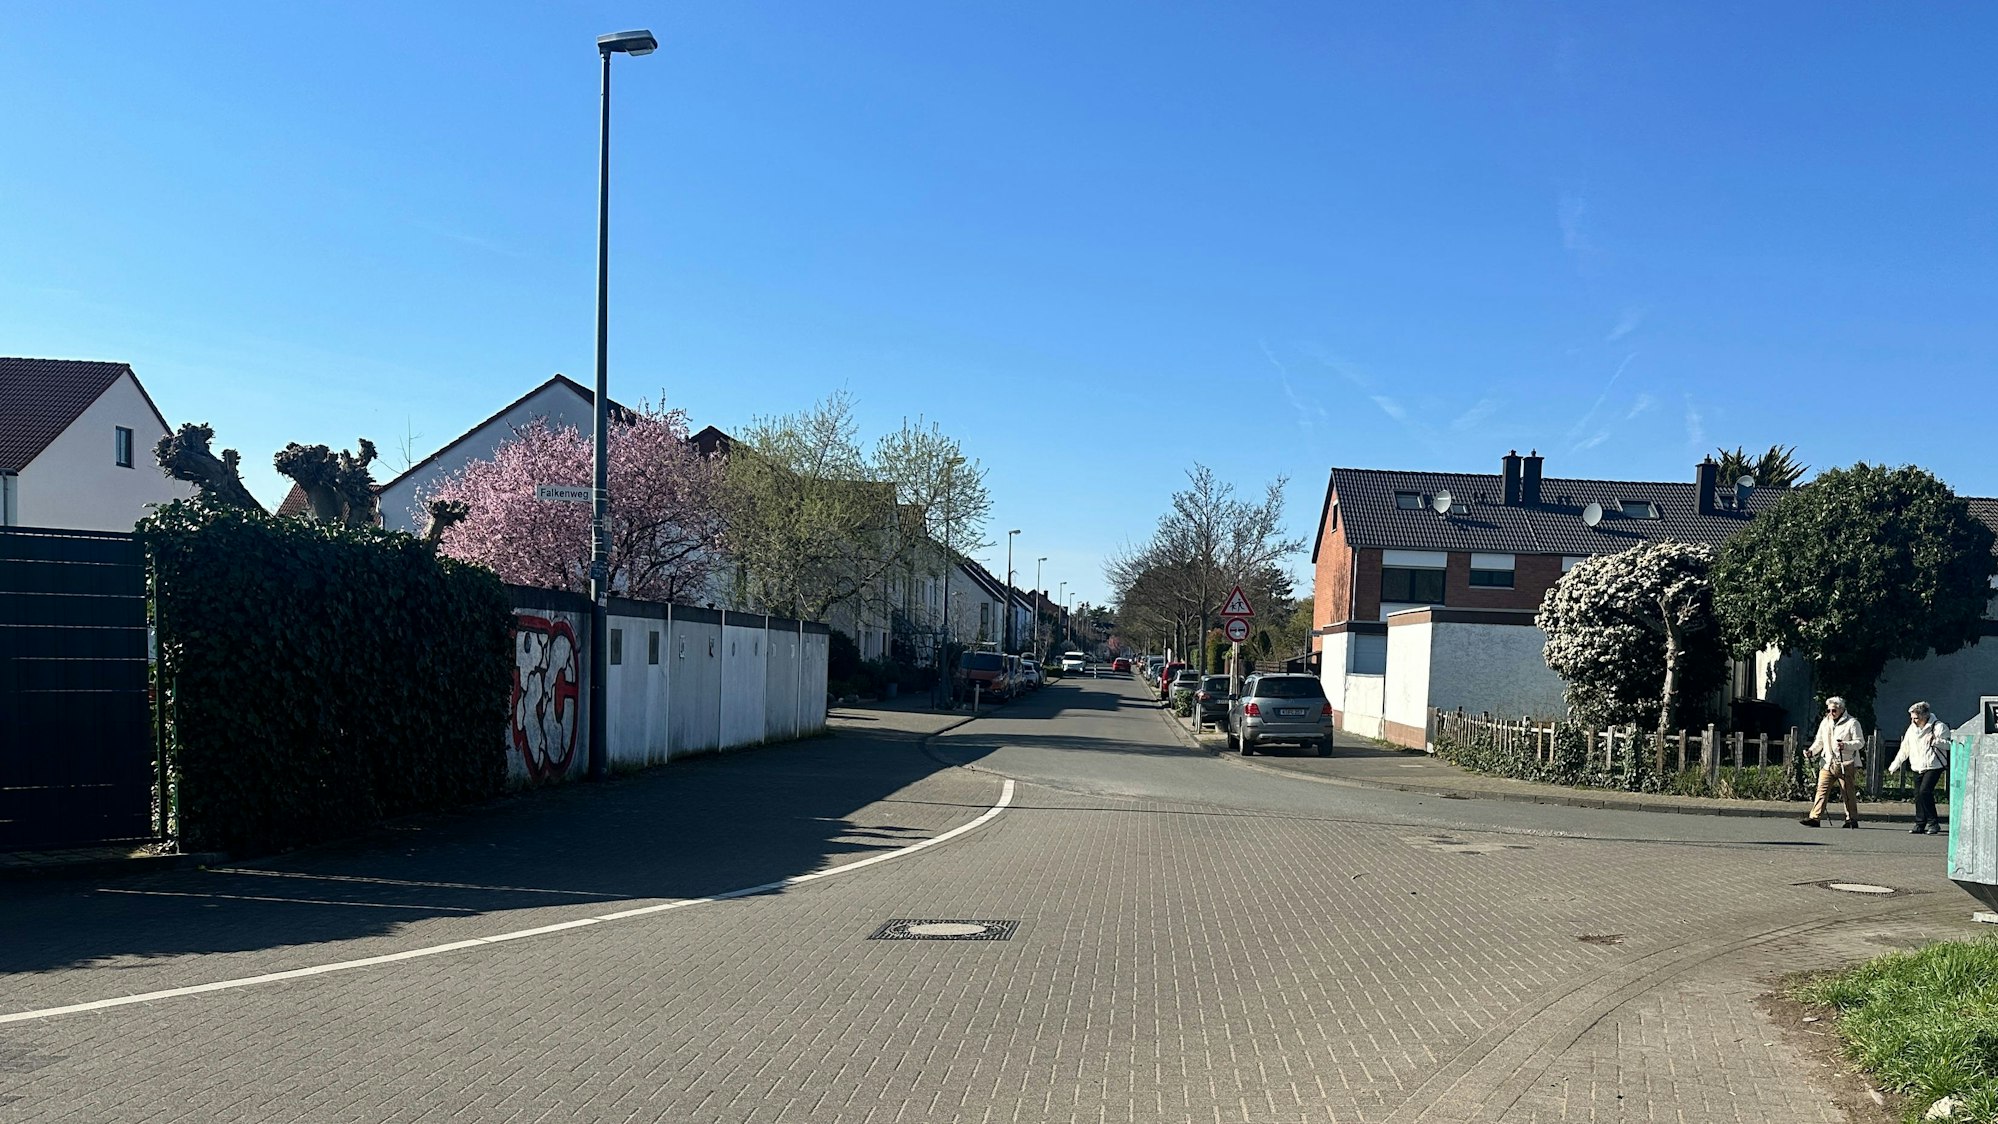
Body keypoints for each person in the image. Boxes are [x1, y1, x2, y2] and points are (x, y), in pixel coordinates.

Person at [1800, 696, 1866, 828]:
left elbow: (1860, 742)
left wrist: (1845, 745)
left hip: (1845, 763)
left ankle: (1851, 818)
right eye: (1829, 710)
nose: (1831, 713)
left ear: (1841, 710)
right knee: (1821, 791)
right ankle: (1815, 818)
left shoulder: (1852, 723)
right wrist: (1811, 752)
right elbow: (1819, 741)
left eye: (1834, 710)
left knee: (1847, 792)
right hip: (1827, 762)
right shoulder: (1825, 722)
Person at [1889, 701, 1951, 836]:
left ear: (1924, 716)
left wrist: (1936, 741)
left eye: (1916, 718)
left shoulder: (1939, 727)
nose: (1913, 721)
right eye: (1911, 718)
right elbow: (1905, 748)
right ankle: (1920, 823)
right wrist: (1895, 765)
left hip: (1934, 765)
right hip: (1917, 765)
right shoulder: (1911, 729)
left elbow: (1950, 745)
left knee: (1924, 792)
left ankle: (1933, 823)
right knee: (1917, 795)